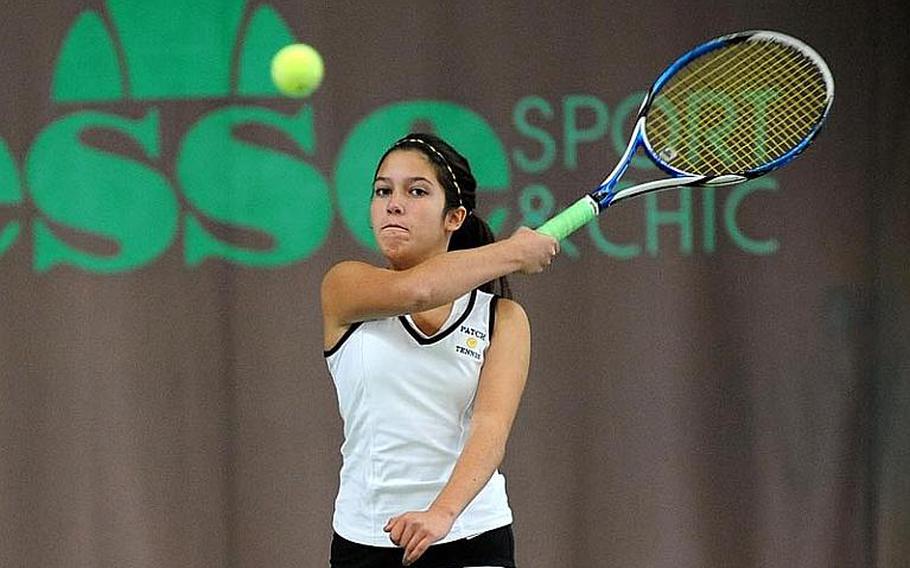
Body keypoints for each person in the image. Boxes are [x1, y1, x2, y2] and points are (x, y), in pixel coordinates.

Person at [321, 133, 558, 567]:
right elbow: (418, 290)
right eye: (382, 190)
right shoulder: (345, 286)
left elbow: (490, 428)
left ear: (454, 217)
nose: (394, 204)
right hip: (363, 540)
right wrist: (512, 251)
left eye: (416, 191)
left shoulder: (502, 318)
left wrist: (443, 513)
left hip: (471, 533)